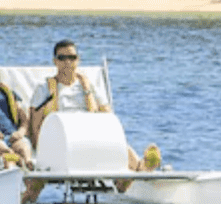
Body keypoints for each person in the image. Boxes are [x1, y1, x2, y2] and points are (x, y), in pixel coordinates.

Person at [28, 39, 154, 170]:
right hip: (63, 140)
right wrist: (41, 153)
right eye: (62, 58)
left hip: (88, 135)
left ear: (78, 60)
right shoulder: (44, 89)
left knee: (117, 144)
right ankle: (141, 168)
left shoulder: (88, 86)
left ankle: (139, 168)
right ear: (55, 61)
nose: (67, 62)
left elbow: (108, 115)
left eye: (72, 57)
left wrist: (88, 92)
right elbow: (34, 125)